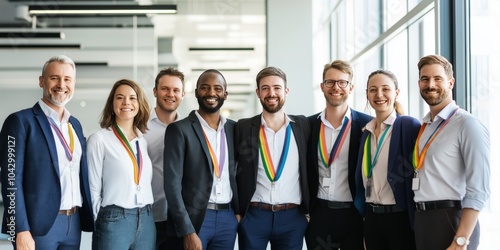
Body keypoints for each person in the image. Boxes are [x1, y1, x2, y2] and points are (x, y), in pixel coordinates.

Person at [0, 55, 94, 249]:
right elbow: (10, 179)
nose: (61, 84)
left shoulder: (74, 125)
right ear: (41, 81)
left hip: (73, 222)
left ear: (74, 83)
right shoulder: (19, 122)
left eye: (67, 79)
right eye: (54, 78)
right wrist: (19, 229)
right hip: (37, 227)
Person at [413, 55, 490, 250]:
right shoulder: (425, 126)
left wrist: (461, 239)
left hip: (451, 220)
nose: (431, 84)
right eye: (425, 79)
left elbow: (478, 189)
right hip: (424, 220)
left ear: (451, 82)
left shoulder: (467, 124)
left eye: (437, 78)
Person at [235, 66, 310, 250]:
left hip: (292, 218)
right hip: (254, 216)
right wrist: (238, 212)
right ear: (258, 93)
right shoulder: (243, 127)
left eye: (277, 87)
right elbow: (233, 171)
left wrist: (307, 212)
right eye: (265, 88)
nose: (271, 93)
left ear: (286, 91)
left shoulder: (303, 126)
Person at [163, 69, 238, 250]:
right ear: (196, 92)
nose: (211, 93)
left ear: (225, 94)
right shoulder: (179, 130)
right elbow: (172, 185)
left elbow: (239, 174)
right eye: (205, 88)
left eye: (217, 88)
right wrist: (186, 230)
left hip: (227, 217)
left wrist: (238, 213)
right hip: (195, 219)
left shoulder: (234, 129)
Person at [305, 60, 371, 250]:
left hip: (354, 215)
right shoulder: (308, 126)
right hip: (319, 216)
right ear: (322, 86)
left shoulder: (367, 125)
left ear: (351, 87)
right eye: (330, 82)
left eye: (342, 82)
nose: (336, 87)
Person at [353, 69, 420, 250]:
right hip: (372, 217)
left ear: (396, 93)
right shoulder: (365, 133)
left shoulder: (408, 126)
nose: (379, 94)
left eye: (385, 89)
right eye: (373, 90)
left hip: (399, 218)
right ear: (367, 94)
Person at [87, 79, 155, 249]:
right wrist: (101, 220)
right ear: (112, 104)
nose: (126, 102)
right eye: (120, 97)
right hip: (114, 220)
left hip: (146, 219)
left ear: (139, 104)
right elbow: (93, 188)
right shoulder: (99, 139)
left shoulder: (142, 141)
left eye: (132, 98)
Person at [143, 67, 185, 250]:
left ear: (183, 94)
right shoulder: (139, 128)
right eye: (165, 89)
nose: (170, 94)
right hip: (147, 217)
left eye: (176, 90)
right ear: (155, 92)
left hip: (178, 220)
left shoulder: (188, 130)